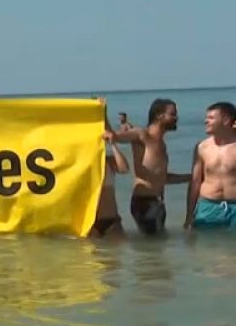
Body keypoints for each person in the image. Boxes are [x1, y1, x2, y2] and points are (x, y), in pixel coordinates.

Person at [109, 98, 191, 235]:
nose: (176, 118)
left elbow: (161, 178)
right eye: (172, 114)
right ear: (159, 115)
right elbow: (116, 136)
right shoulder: (142, 135)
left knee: (156, 249)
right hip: (144, 203)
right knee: (155, 248)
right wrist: (104, 117)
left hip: (156, 203)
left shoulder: (160, 143)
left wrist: (192, 177)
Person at [185, 102, 236, 230]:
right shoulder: (202, 147)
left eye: (211, 118)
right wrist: (189, 216)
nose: (205, 121)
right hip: (208, 207)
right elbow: (195, 182)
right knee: (205, 247)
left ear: (225, 120)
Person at [92, 100, 130, 238]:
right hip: (90, 223)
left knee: (115, 259)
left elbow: (125, 169)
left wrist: (113, 145)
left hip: (111, 220)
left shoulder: (108, 161)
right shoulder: (80, 165)